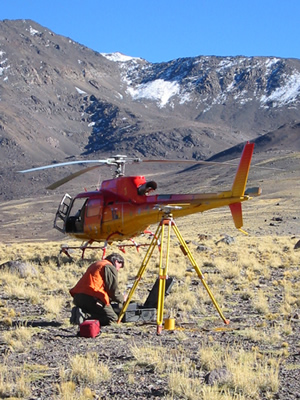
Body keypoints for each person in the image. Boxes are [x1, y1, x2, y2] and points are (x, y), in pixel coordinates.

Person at [69, 253, 125, 326]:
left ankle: (80, 312)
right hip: (92, 297)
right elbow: (112, 290)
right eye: (119, 267)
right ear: (116, 261)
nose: (117, 270)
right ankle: (85, 316)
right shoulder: (109, 266)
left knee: (100, 309)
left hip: (78, 297)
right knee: (112, 319)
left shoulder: (97, 264)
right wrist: (122, 299)